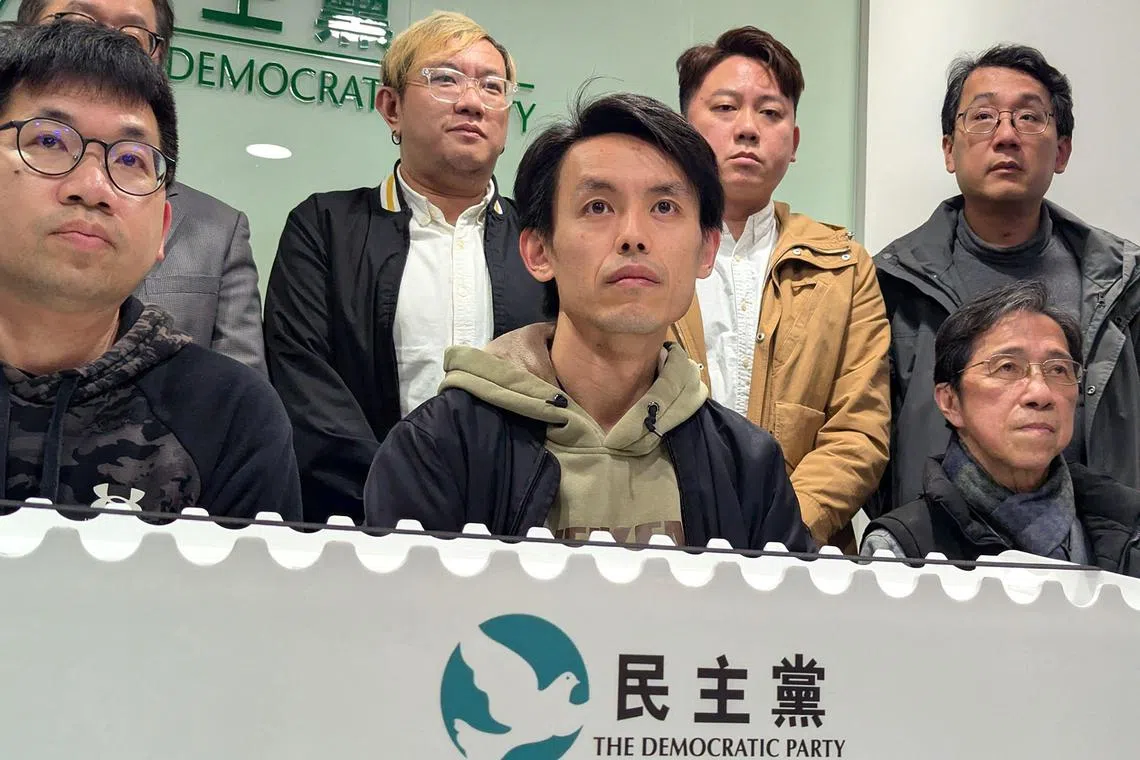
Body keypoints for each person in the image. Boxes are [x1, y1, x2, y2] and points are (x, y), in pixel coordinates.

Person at [363, 91, 814, 552]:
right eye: (598, 206)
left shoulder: (747, 465)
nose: (633, 237)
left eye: (664, 208)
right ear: (538, 251)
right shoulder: (439, 447)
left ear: (706, 250)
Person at [0, 21, 300, 519]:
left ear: (163, 228)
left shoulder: (229, 414)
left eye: (131, 158)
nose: (92, 186)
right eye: (49, 141)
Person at [265, 11, 544, 525]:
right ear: (391, 107)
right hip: (359, 527)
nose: (470, 101)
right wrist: (394, 498)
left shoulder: (542, 243)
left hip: (521, 534)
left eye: (492, 86)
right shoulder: (325, 227)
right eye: (445, 79)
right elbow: (303, 385)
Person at [875, 44, 1140, 514]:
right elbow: (869, 442)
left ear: (1061, 151)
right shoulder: (890, 284)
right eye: (982, 117)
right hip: (938, 559)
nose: (1005, 136)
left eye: (1029, 118)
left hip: (1099, 565)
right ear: (948, 150)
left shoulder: (1122, 284)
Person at [669, 27, 890, 549]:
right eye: (724, 108)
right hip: (662, 542)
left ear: (792, 143)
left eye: (770, 113)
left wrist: (782, 530)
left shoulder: (845, 265)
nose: (747, 128)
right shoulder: (643, 247)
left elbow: (859, 431)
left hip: (803, 553)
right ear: (683, 129)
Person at [17, 0, 267, 374]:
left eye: (130, 37)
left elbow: (237, 396)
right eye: (77, 24)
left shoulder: (218, 229)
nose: (102, 47)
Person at [862, 282, 1140, 576]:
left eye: (1058, 369)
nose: (1041, 393)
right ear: (950, 401)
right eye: (1007, 367)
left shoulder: (1129, 528)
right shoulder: (901, 549)